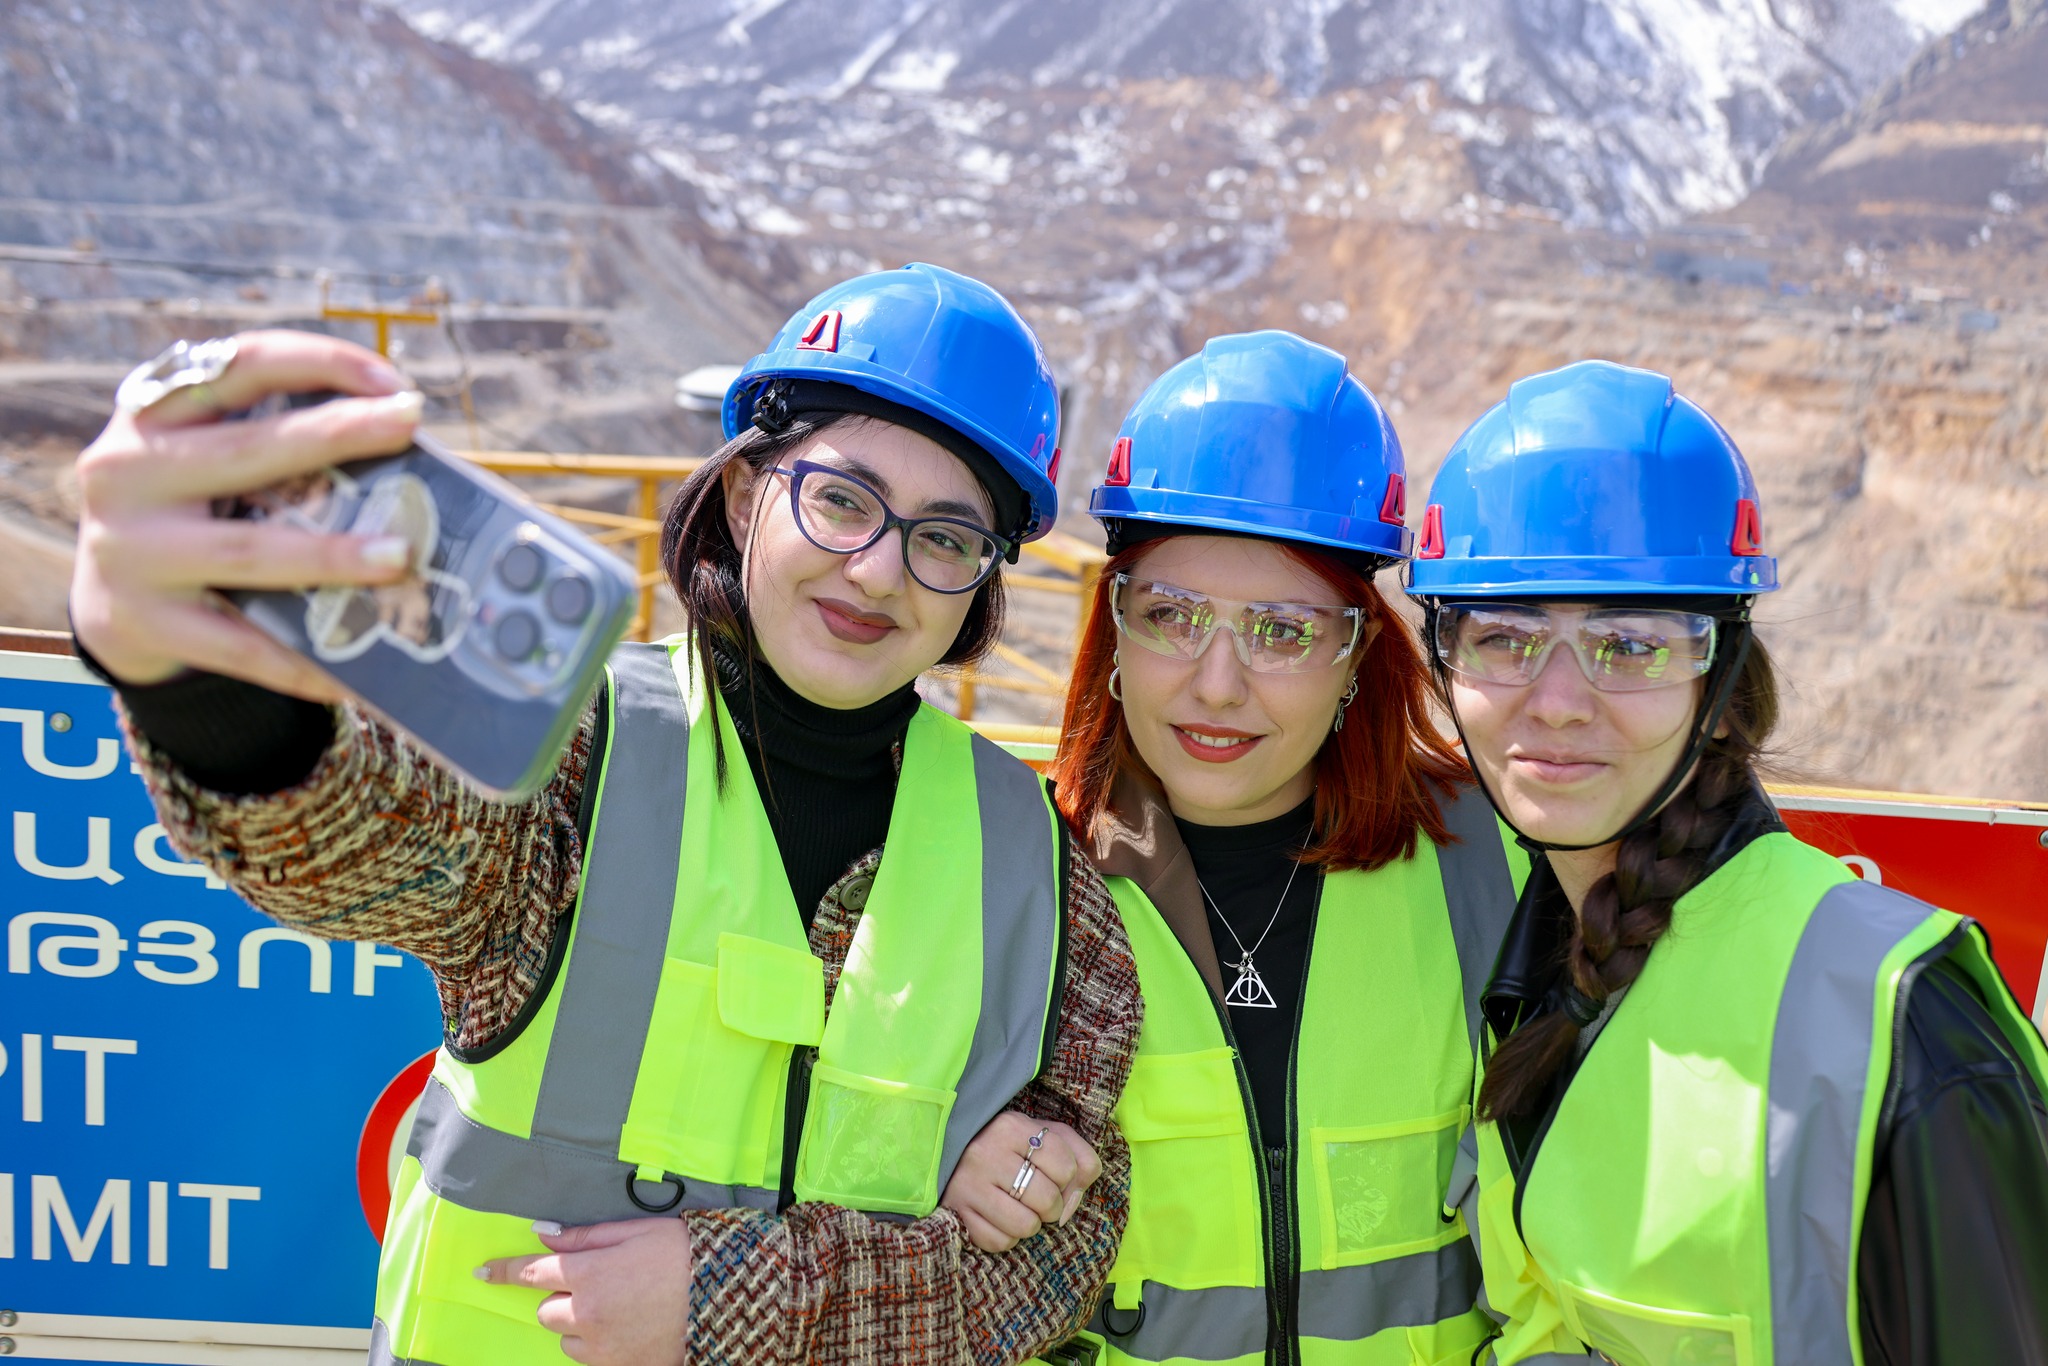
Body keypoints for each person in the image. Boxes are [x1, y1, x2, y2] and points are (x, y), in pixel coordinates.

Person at [68, 263, 1141, 1366]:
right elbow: (360, 836)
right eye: (839, 499)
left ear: (983, 577)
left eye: (946, 538)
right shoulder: (571, 754)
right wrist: (194, 681)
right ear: (744, 497)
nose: (876, 571)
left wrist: (737, 1297)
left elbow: (1062, 1258)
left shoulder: (1035, 863)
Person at [1404, 359, 2048, 1364]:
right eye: (1503, 637)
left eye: (1629, 645)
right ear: (1445, 663)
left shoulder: (1901, 1019)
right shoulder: (1529, 961)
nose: (1557, 702)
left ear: (1720, 677)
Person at [942, 331, 1529, 1365]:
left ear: (1356, 652)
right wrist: (940, 1161)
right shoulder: (1013, 875)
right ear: (1113, 627)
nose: (1216, 685)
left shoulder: (1492, 865)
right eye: (1171, 615)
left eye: (1282, 631)